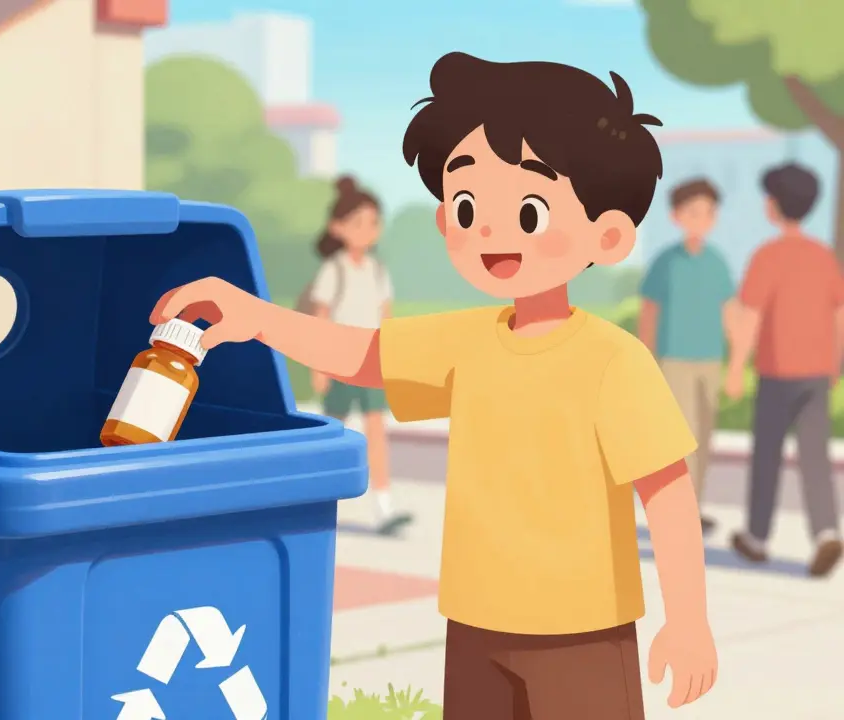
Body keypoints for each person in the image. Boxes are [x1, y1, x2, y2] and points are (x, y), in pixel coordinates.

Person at [150, 53, 716, 720]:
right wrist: (255, 317)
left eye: (529, 210)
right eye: (468, 203)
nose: (489, 231)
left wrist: (689, 621)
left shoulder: (614, 361)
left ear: (610, 233)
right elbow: (362, 354)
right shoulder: (467, 340)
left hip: (582, 633)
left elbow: (666, 490)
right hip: (475, 624)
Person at [726, 163, 844, 578]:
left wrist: (737, 367)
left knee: (767, 457)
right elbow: (839, 314)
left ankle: (758, 538)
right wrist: (836, 362)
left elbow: (751, 317)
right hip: (816, 371)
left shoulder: (767, 256)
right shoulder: (823, 257)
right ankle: (827, 531)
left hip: (777, 372)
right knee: (815, 456)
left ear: (775, 205)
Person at [307, 175, 411, 534]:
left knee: (376, 434)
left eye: (373, 222)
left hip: (372, 364)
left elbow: (387, 317)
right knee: (333, 433)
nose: (368, 230)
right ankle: (317, 499)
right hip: (339, 363)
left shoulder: (377, 271)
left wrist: (393, 359)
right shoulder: (332, 270)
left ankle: (383, 506)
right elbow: (320, 320)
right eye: (358, 223)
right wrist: (319, 366)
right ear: (337, 227)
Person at [638, 178, 735, 534]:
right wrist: (645, 359)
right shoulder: (666, 262)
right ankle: (677, 510)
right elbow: (649, 313)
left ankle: (693, 506)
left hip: (709, 360)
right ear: (677, 216)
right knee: (681, 437)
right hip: (674, 359)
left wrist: (737, 363)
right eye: (693, 212)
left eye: (708, 213)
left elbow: (729, 311)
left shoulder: (717, 263)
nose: (702, 219)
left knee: (704, 435)